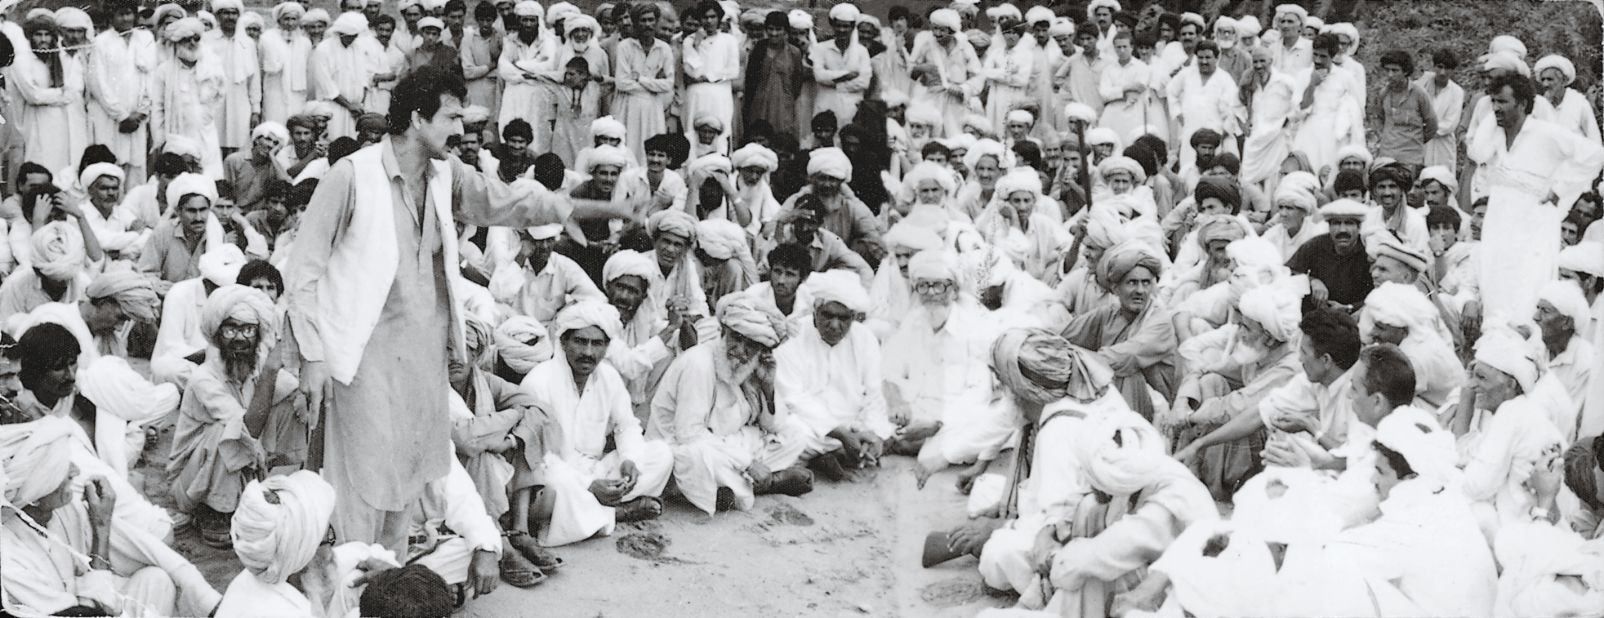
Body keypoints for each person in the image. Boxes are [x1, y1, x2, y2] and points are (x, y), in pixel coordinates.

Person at [285, 66, 570, 554]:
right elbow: (302, 274)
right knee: (362, 486)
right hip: (362, 361)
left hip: (423, 363)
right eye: (451, 117)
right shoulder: (350, 176)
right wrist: (312, 356)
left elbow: (506, 205)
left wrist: (583, 204)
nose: (460, 130)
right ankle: (352, 591)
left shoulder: (446, 176)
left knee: (407, 483)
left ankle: (387, 590)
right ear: (417, 118)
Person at [959, 329, 1122, 597]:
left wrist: (1000, 527)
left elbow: (1061, 520)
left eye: (1004, 382)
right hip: (1078, 506)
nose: (1003, 392)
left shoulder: (1058, 430)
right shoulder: (1069, 397)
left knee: (997, 554)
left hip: (1090, 530)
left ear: (1023, 389)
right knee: (985, 489)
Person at [0, 417, 201, 618]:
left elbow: (144, 547)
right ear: (33, 493)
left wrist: (205, 599)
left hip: (87, 608)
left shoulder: (66, 510)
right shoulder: (7, 557)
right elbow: (82, 614)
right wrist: (101, 535)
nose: (76, 471)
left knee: (155, 580)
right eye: (62, 468)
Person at [520, 301, 673, 545]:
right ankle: (619, 512)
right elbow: (538, 456)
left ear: (607, 347)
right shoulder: (539, 382)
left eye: (597, 343)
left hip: (595, 470)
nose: (588, 352)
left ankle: (591, 513)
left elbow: (626, 426)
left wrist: (629, 459)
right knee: (554, 490)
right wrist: (590, 485)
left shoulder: (609, 377)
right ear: (563, 342)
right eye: (580, 341)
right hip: (557, 473)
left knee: (661, 453)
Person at [1044, 410, 1219, 617]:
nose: (1088, 480)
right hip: (1162, 572)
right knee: (1089, 510)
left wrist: (1052, 558)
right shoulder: (1141, 469)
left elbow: (1101, 554)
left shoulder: (1165, 502)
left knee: (1090, 572)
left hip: (1192, 598)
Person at [647, 294, 812, 514]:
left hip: (726, 442)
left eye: (751, 345)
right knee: (699, 457)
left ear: (761, 350)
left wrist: (768, 387)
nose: (741, 350)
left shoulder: (748, 366)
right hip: (681, 446)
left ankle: (737, 487)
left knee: (796, 433)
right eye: (737, 338)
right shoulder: (699, 363)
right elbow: (688, 434)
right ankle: (767, 482)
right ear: (723, 332)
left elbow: (774, 426)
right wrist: (748, 463)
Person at [1469, 73, 1604, 323]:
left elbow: (1594, 155)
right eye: (1493, 102)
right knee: (1494, 281)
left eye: (1502, 102)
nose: (1496, 108)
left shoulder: (1546, 133)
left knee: (1527, 286)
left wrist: (1559, 189)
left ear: (1521, 104)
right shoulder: (1495, 135)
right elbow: (1477, 152)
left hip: (1533, 224)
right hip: (1499, 222)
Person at [1169, 279, 1307, 498]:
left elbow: (1238, 406)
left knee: (1227, 415)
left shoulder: (1288, 369)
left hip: (1272, 447)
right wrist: (1182, 402)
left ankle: (1206, 484)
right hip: (1239, 434)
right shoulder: (1257, 352)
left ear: (1269, 338)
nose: (1239, 332)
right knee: (1212, 381)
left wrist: (1189, 418)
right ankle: (1191, 471)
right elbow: (1204, 370)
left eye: (1245, 327)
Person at [166, 285, 280, 549]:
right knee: (227, 431)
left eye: (247, 330)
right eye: (231, 330)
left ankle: (273, 480)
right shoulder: (203, 378)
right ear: (217, 335)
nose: (239, 339)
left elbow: (290, 388)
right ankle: (215, 514)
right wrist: (272, 372)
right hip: (190, 483)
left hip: (236, 472)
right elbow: (246, 429)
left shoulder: (253, 369)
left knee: (287, 402)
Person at [774, 271, 894, 480]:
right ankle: (832, 454)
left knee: (882, 433)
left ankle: (834, 455)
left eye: (843, 318)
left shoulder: (864, 338)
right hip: (809, 425)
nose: (834, 325)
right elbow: (793, 398)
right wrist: (840, 433)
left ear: (854, 317)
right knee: (793, 435)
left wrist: (873, 434)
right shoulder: (793, 335)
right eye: (828, 315)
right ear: (814, 312)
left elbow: (873, 394)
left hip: (852, 425)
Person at [1061, 240, 1177, 420]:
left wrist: (1080, 359)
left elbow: (1126, 356)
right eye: (1132, 283)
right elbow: (1065, 335)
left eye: (1146, 283)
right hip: (1110, 397)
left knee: (1126, 374)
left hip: (1154, 407)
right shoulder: (1108, 314)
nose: (1140, 290)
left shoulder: (1159, 321)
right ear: (1115, 288)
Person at [150, 18, 226, 178]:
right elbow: (157, 108)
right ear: (176, 42)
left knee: (207, 174)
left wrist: (206, 115)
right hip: (178, 133)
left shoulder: (211, 67)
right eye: (186, 39)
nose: (192, 43)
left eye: (196, 38)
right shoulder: (164, 71)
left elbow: (220, 95)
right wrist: (160, 139)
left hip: (205, 132)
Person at [87, 0, 153, 181]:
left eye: (129, 13)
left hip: (137, 118)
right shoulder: (101, 42)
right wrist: (122, 116)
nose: (126, 18)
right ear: (111, 16)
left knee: (137, 164)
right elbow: (97, 82)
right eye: (120, 14)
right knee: (112, 163)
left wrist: (141, 112)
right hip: (111, 117)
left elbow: (150, 77)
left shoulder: (145, 38)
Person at [14, 17, 89, 174]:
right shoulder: (22, 60)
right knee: (39, 165)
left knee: (61, 167)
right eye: (38, 35)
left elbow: (73, 90)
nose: (43, 40)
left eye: (47, 35)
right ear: (29, 36)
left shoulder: (57, 58)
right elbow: (33, 96)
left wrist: (55, 96)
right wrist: (60, 94)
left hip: (60, 124)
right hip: (35, 123)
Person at [487, 224, 604, 323]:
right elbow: (498, 295)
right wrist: (521, 258)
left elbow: (597, 299)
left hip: (549, 335)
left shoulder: (563, 266)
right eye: (538, 241)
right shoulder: (511, 260)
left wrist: (566, 313)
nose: (545, 246)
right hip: (514, 330)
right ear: (526, 240)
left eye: (549, 240)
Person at [1291, 33, 1363, 177]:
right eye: (1315, 55)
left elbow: (1357, 110)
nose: (1318, 60)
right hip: (1309, 131)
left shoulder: (1345, 77)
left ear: (1333, 55)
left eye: (1323, 56)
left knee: (1332, 173)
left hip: (1335, 134)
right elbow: (1299, 111)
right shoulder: (1303, 75)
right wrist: (1312, 84)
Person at [0, 221, 101, 321]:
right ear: (38, 271)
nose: (65, 284)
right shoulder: (15, 287)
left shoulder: (83, 284)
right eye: (58, 280)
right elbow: (5, 329)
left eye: (67, 278)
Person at [614, 3, 676, 164]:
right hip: (629, 106)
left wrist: (640, 79)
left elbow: (668, 84)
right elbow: (621, 83)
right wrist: (654, 84)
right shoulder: (625, 47)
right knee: (628, 148)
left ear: (656, 22)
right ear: (636, 22)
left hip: (653, 108)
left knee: (652, 148)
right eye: (643, 20)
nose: (648, 24)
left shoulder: (664, 49)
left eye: (651, 20)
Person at [1288, 198, 1373, 312]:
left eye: (1349, 223)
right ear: (1329, 227)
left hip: (1356, 316)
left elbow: (1381, 293)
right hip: (1317, 315)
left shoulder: (1369, 250)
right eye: (1336, 223)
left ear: (1359, 228)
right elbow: (1287, 272)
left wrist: (1349, 308)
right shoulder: (1316, 245)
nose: (1342, 229)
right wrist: (1312, 280)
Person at [311, 13, 380, 140]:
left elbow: (364, 78)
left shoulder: (357, 47)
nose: (352, 39)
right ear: (340, 33)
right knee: (334, 140)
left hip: (356, 110)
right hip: (334, 108)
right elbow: (326, 85)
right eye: (350, 36)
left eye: (355, 36)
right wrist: (349, 105)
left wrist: (359, 105)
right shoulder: (323, 49)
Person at [682, 1, 741, 150]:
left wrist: (709, 76)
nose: (708, 21)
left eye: (712, 17)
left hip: (720, 94)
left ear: (719, 18)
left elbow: (733, 71)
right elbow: (692, 71)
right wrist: (696, 44)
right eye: (704, 17)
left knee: (721, 132)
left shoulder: (729, 40)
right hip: (696, 96)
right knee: (693, 132)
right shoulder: (689, 41)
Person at [1373, 50, 1437, 168]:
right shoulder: (1383, 93)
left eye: (1395, 70)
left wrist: (1415, 141)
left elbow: (1432, 125)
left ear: (1406, 71)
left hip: (1411, 158)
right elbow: (1379, 117)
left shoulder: (1419, 94)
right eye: (1387, 70)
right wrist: (1385, 136)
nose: (1390, 75)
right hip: (1387, 155)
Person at [223, 123, 292, 213]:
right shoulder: (234, 160)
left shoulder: (274, 166)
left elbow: (285, 185)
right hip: (232, 211)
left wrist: (272, 156)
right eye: (268, 139)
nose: (270, 145)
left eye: (275, 143)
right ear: (257, 140)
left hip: (259, 214)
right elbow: (225, 191)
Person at [1534, 54, 1601, 145]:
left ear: (1563, 81)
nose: (1545, 84)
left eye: (1550, 79)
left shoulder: (1579, 103)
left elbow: (1594, 140)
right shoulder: (1538, 106)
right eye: (1543, 80)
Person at [1416, 48, 1464, 173]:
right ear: (1434, 66)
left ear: (1453, 70)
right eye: (1440, 67)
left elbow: (1450, 124)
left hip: (1442, 144)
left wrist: (1424, 129)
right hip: (1418, 142)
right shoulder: (1422, 85)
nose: (1442, 72)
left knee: (1441, 179)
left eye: (1447, 68)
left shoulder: (1457, 92)